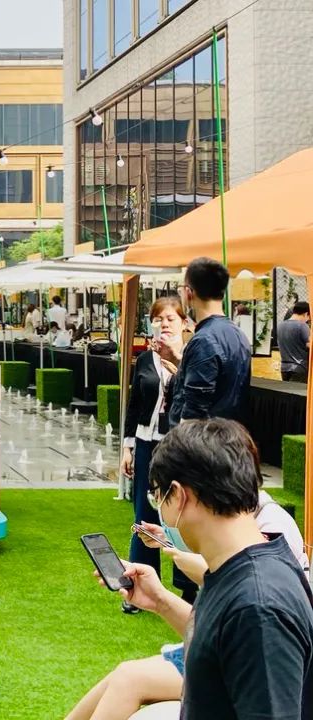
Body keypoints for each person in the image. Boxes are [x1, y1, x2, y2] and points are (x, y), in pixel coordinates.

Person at [69, 423, 310, 720]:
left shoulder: (258, 607)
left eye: (158, 497)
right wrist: (160, 600)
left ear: (179, 495)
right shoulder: (240, 566)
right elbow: (218, 645)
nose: (159, 509)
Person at [120, 296, 197, 610]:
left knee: (181, 515)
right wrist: (127, 447)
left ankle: (189, 586)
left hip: (177, 445)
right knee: (144, 514)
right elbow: (135, 403)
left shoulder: (191, 357)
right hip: (146, 443)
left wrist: (178, 367)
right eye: (158, 318)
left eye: (170, 318)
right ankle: (139, 584)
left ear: (183, 323)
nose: (164, 324)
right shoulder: (144, 359)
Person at [157, 257, 250, 425]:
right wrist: (180, 362)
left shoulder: (203, 340)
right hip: (229, 434)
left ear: (188, 292)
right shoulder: (239, 335)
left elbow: (193, 415)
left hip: (202, 438)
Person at [278, 301, 310, 383]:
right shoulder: (302, 326)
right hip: (299, 368)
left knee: (287, 390)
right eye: (309, 318)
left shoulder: (280, 326)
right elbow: (310, 345)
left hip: (284, 368)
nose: (308, 320)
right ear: (306, 314)